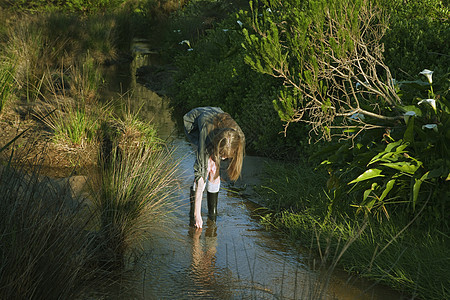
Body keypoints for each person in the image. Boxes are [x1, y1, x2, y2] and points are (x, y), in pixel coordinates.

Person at [183, 107, 245, 229]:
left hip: (217, 122)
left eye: (225, 157)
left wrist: (218, 158)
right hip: (194, 124)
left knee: (215, 170)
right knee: (205, 169)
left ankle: (213, 215)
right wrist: (197, 214)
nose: (222, 159)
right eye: (221, 155)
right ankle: (192, 215)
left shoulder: (239, 137)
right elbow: (200, 175)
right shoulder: (206, 131)